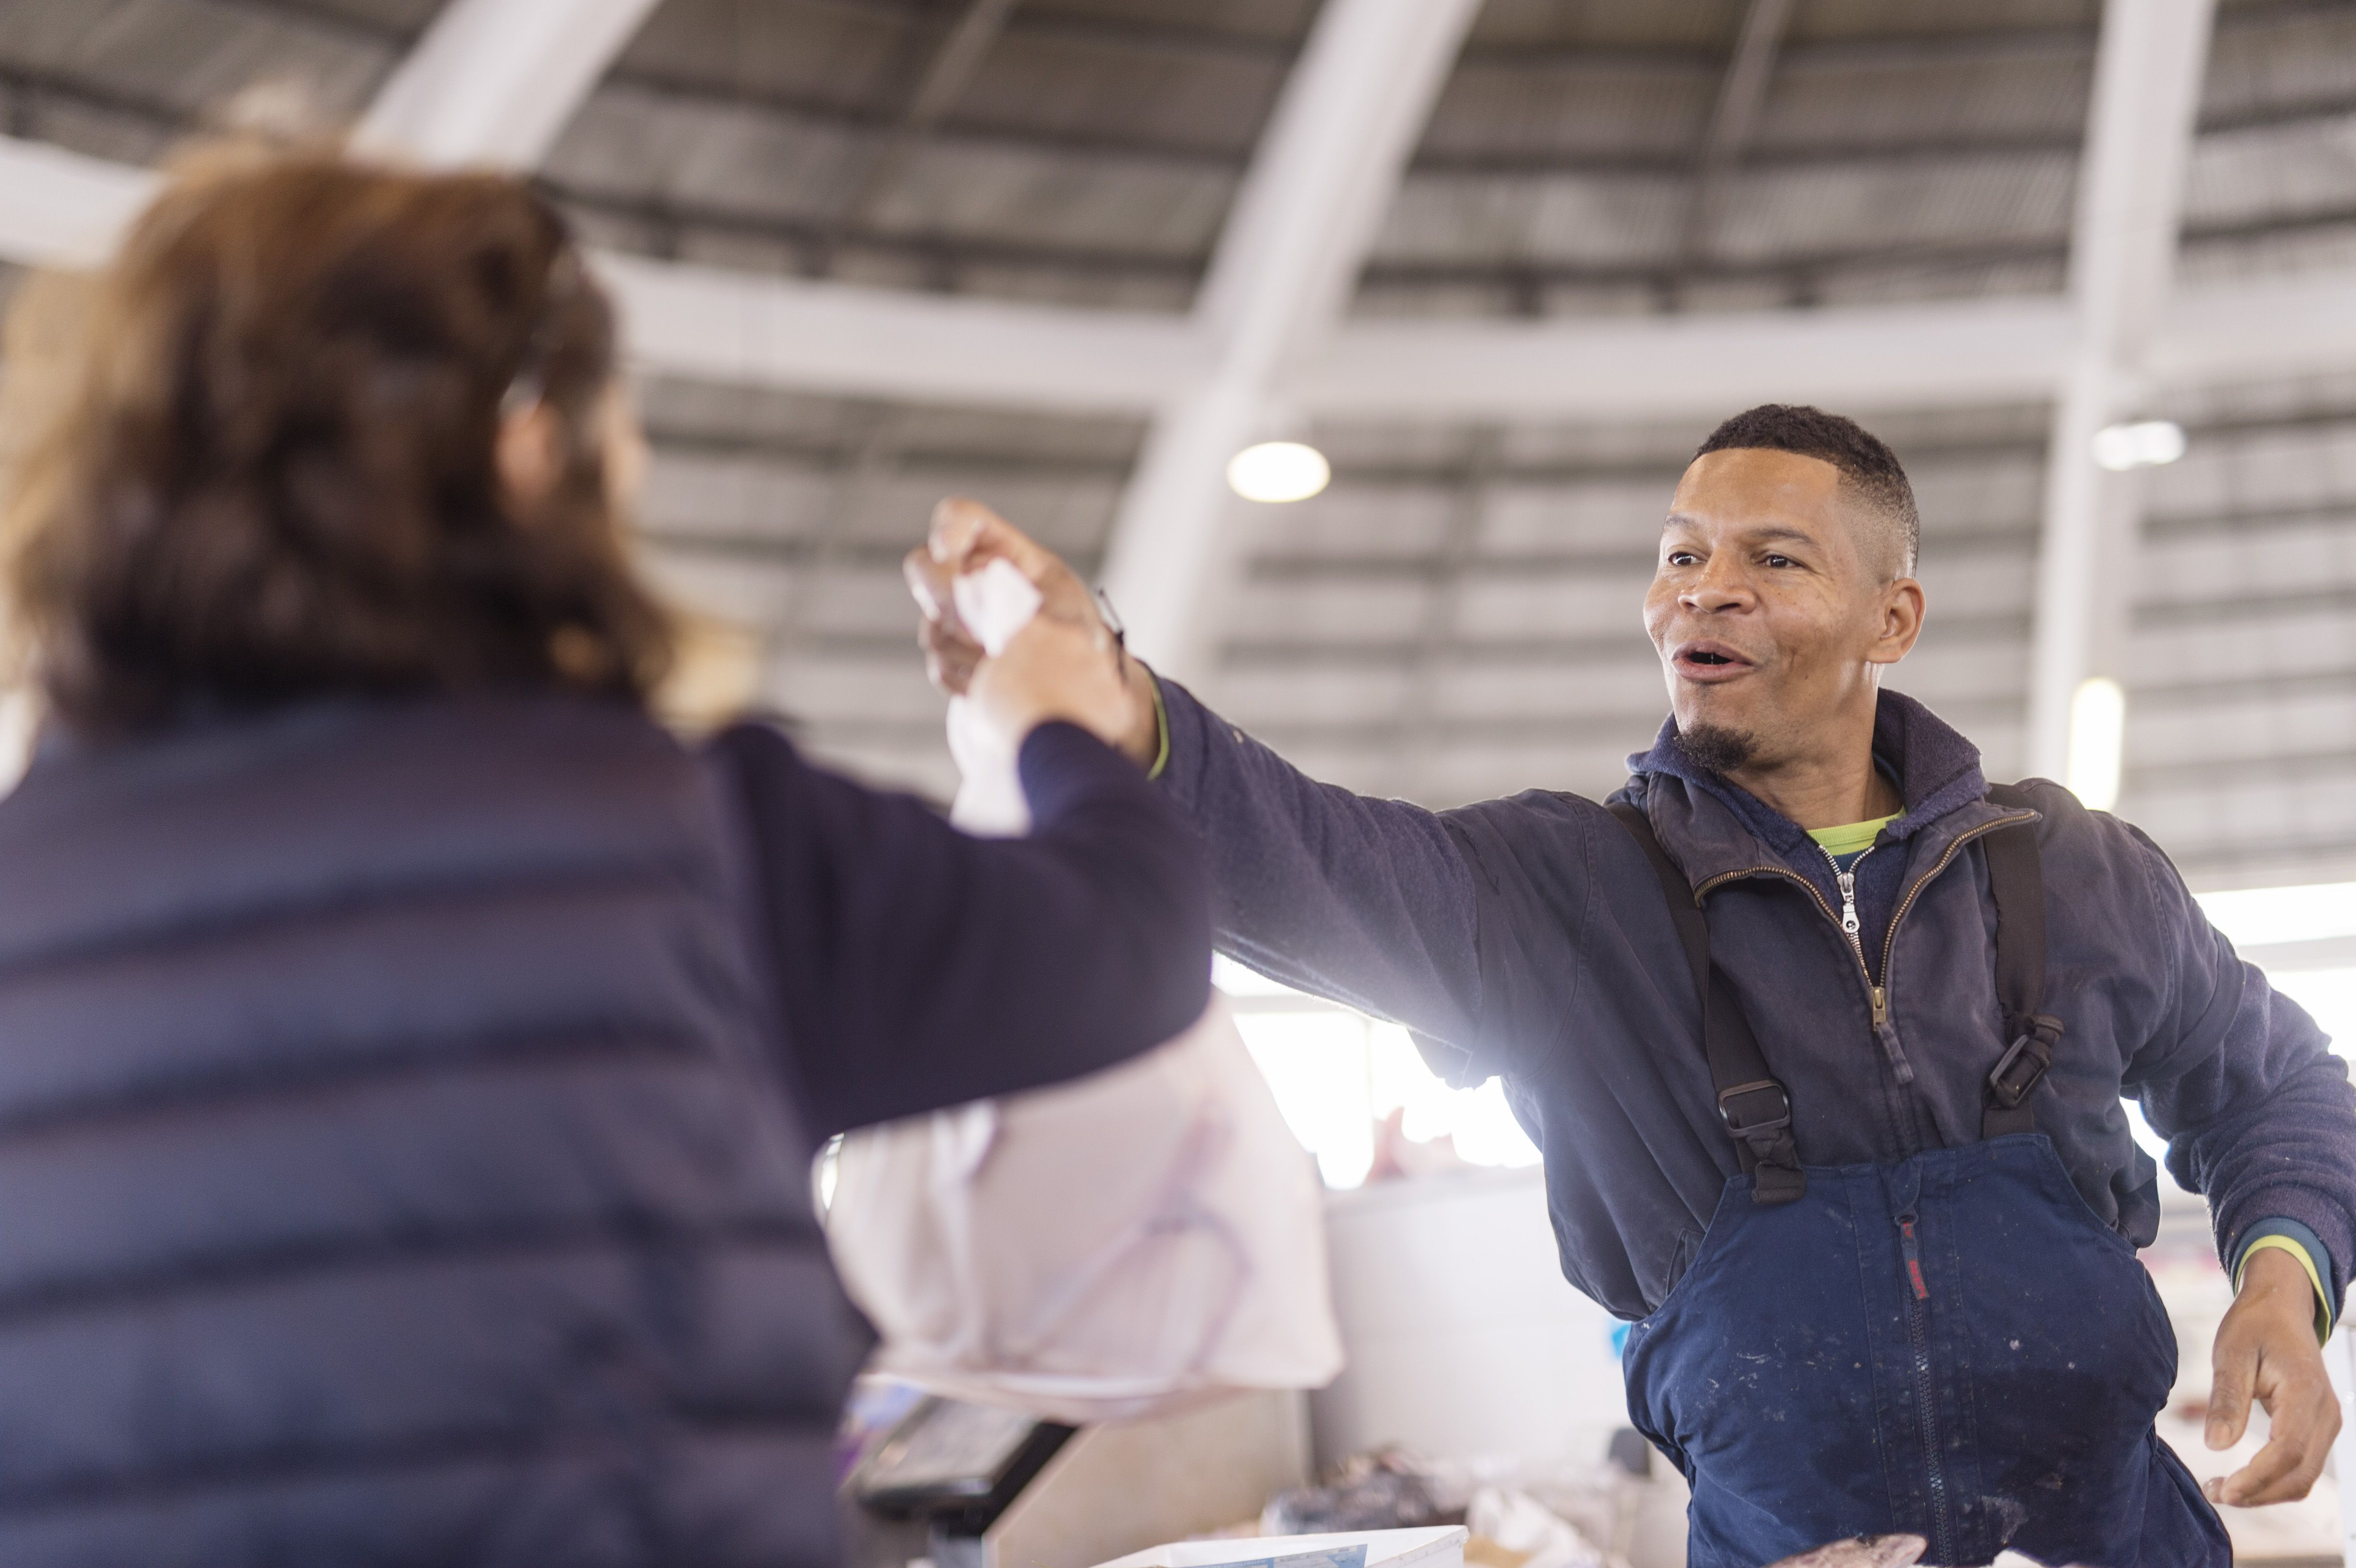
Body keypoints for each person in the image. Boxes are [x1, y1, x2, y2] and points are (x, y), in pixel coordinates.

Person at [0, 155, 1208, 1566]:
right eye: (617, 425)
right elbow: (1129, 940)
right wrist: (1056, 718)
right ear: (523, 452)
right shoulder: (686, 840)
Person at [912, 407, 2356, 1568]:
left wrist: (2282, 1285)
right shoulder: (1564, 894)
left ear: (1891, 620)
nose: (1703, 590)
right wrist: (1107, 700)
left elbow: (2277, 1086)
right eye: (1679, 557)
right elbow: (1313, 863)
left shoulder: (2074, 869)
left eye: (1775, 561)